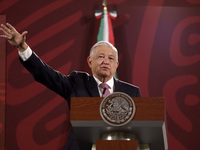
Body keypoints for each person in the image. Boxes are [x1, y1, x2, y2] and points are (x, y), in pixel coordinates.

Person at [0, 23, 141, 150]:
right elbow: (46, 75)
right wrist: (22, 47)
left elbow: (142, 129)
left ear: (116, 65)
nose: (106, 61)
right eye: (100, 57)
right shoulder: (77, 82)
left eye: (111, 58)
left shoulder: (132, 92)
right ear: (90, 61)